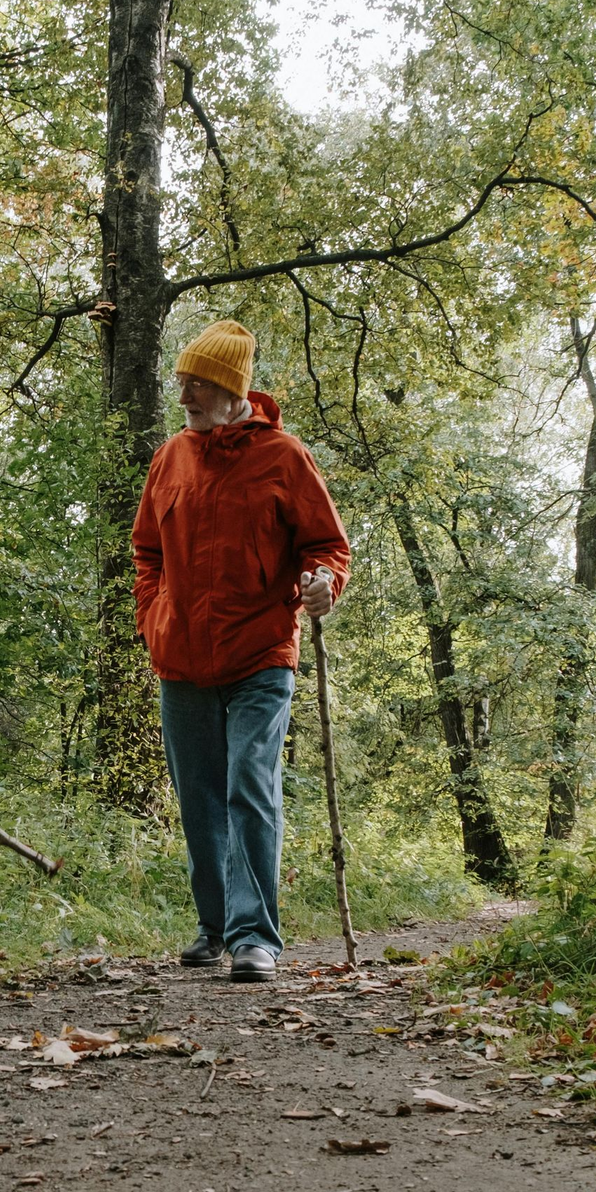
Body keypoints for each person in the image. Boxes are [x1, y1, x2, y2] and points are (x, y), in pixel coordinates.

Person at [133, 320, 350, 981]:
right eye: (181, 384)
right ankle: (215, 925)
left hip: (260, 652)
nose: (185, 397)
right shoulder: (171, 457)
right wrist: (154, 616)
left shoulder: (284, 457)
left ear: (232, 391)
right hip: (182, 659)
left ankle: (256, 936)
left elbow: (327, 546)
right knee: (198, 796)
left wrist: (323, 584)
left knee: (249, 786)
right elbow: (146, 551)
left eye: (196, 385)